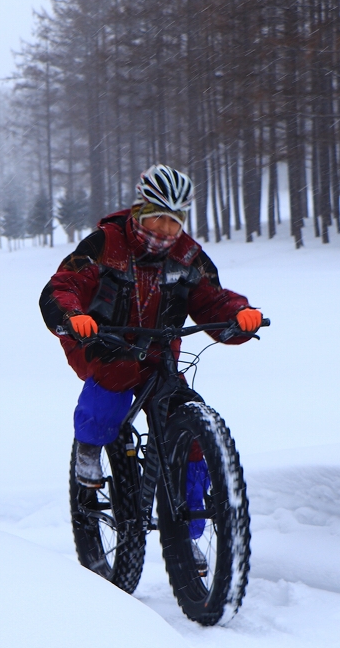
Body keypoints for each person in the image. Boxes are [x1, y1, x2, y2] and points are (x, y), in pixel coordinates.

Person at [40, 164, 263, 489]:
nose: (165, 229)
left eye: (174, 221)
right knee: (116, 375)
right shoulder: (106, 243)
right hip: (97, 341)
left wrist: (239, 313)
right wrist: (73, 316)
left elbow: (212, 299)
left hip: (160, 355)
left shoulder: (188, 256)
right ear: (141, 211)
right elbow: (64, 285)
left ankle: (194, 518)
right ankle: (89, 447)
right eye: (158, 216)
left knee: (185, 411)